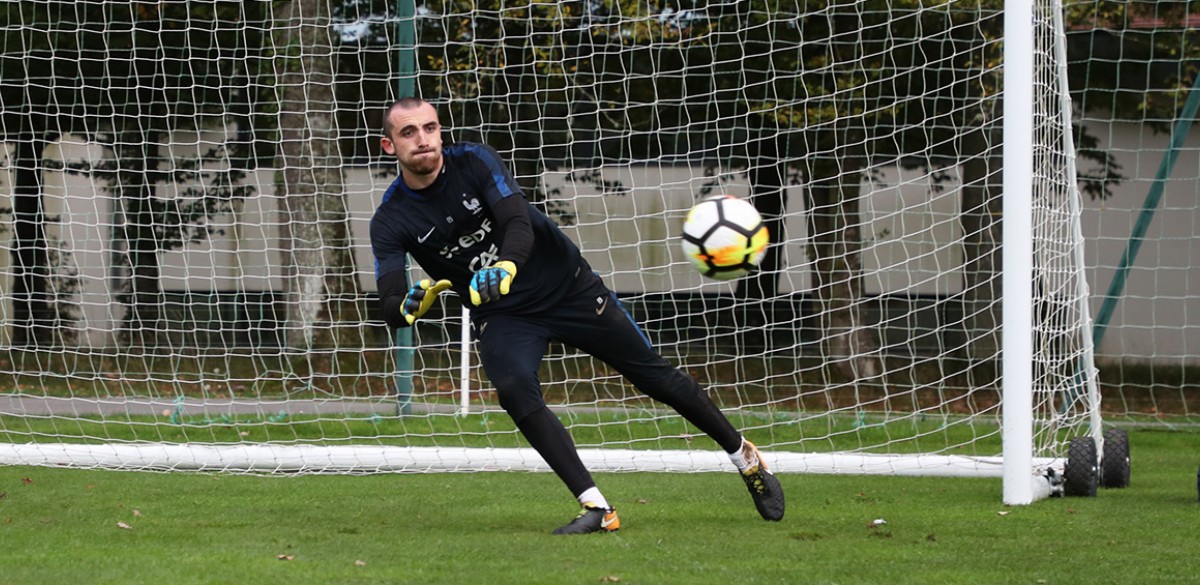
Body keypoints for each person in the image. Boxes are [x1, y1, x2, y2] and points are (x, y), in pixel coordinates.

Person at [370, 96, 785, 534]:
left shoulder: (474, 160)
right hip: (505, 314)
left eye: (430, 128)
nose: (423, 140)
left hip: (567, 286)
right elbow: (391, 301)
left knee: (655, 377)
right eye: (408, 133)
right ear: (388, 146)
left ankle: (745, 457)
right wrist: (409, 306)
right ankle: (597, 509)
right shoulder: (391, 218)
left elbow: (517, 222)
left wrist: (507, 264)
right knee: (513, 391)